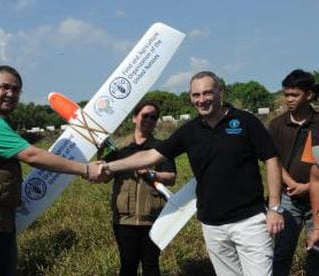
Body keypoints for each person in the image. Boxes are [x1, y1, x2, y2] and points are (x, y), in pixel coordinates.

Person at [95, 71, 284, 276]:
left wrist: (274, 207)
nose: (201, 100)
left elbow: (271, 159)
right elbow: (150, 156)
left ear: (220, 91)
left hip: (249, 221)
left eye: (207, 93)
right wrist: (108, 167)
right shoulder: (189, 131)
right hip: (212, 225)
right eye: (196, 95)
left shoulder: (246, 121)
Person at [0, 65, 99, 276]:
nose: (11, 94)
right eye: (4, 87)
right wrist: (85, 169)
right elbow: (31, 155)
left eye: (16, 90)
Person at [99, 101, 176, 275]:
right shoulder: (119, 148)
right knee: (128, 266)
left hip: (153, 217)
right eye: (145, 115)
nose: (149, 120)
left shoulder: (161, 148)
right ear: (134, 118)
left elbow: (171, 177)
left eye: (153, 117)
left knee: (151, 266)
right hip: (124, 219)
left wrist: (152, 174)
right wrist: (101, 155)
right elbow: (104, 177)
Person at [269, 69, 319, 275]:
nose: (289, 99)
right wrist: (292, 184)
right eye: (286, 94)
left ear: (308, 95)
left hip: (317, 195)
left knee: (316, 250)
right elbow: (272, 161)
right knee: (282, 250)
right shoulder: (277, 125)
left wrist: (307, 186)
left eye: (294, 95)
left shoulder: (317, 123)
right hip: (288, 197)